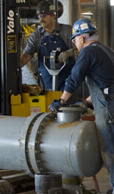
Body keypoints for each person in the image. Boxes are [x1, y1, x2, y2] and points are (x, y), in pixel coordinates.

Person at [49, 19, 114, 193]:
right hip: (110, 102)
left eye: (75, 39)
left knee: (110, 151)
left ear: (82, 38)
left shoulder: (87, 52)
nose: (75, 43)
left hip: (110, 111)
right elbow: (106, 85)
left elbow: (74, 79)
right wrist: (87, 101)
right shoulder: (106, 49)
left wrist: (61, 101)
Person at [20, 0, 75, 91]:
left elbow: (82, 50)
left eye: (44, 16)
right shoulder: (37, 35)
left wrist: (69, 53)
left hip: (68, 80)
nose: (41, 19)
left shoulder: (67, 31)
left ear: (53, 16)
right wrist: (16, 66)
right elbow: (27, 55)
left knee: (67, 104)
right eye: (39, 16)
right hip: (47, 81)